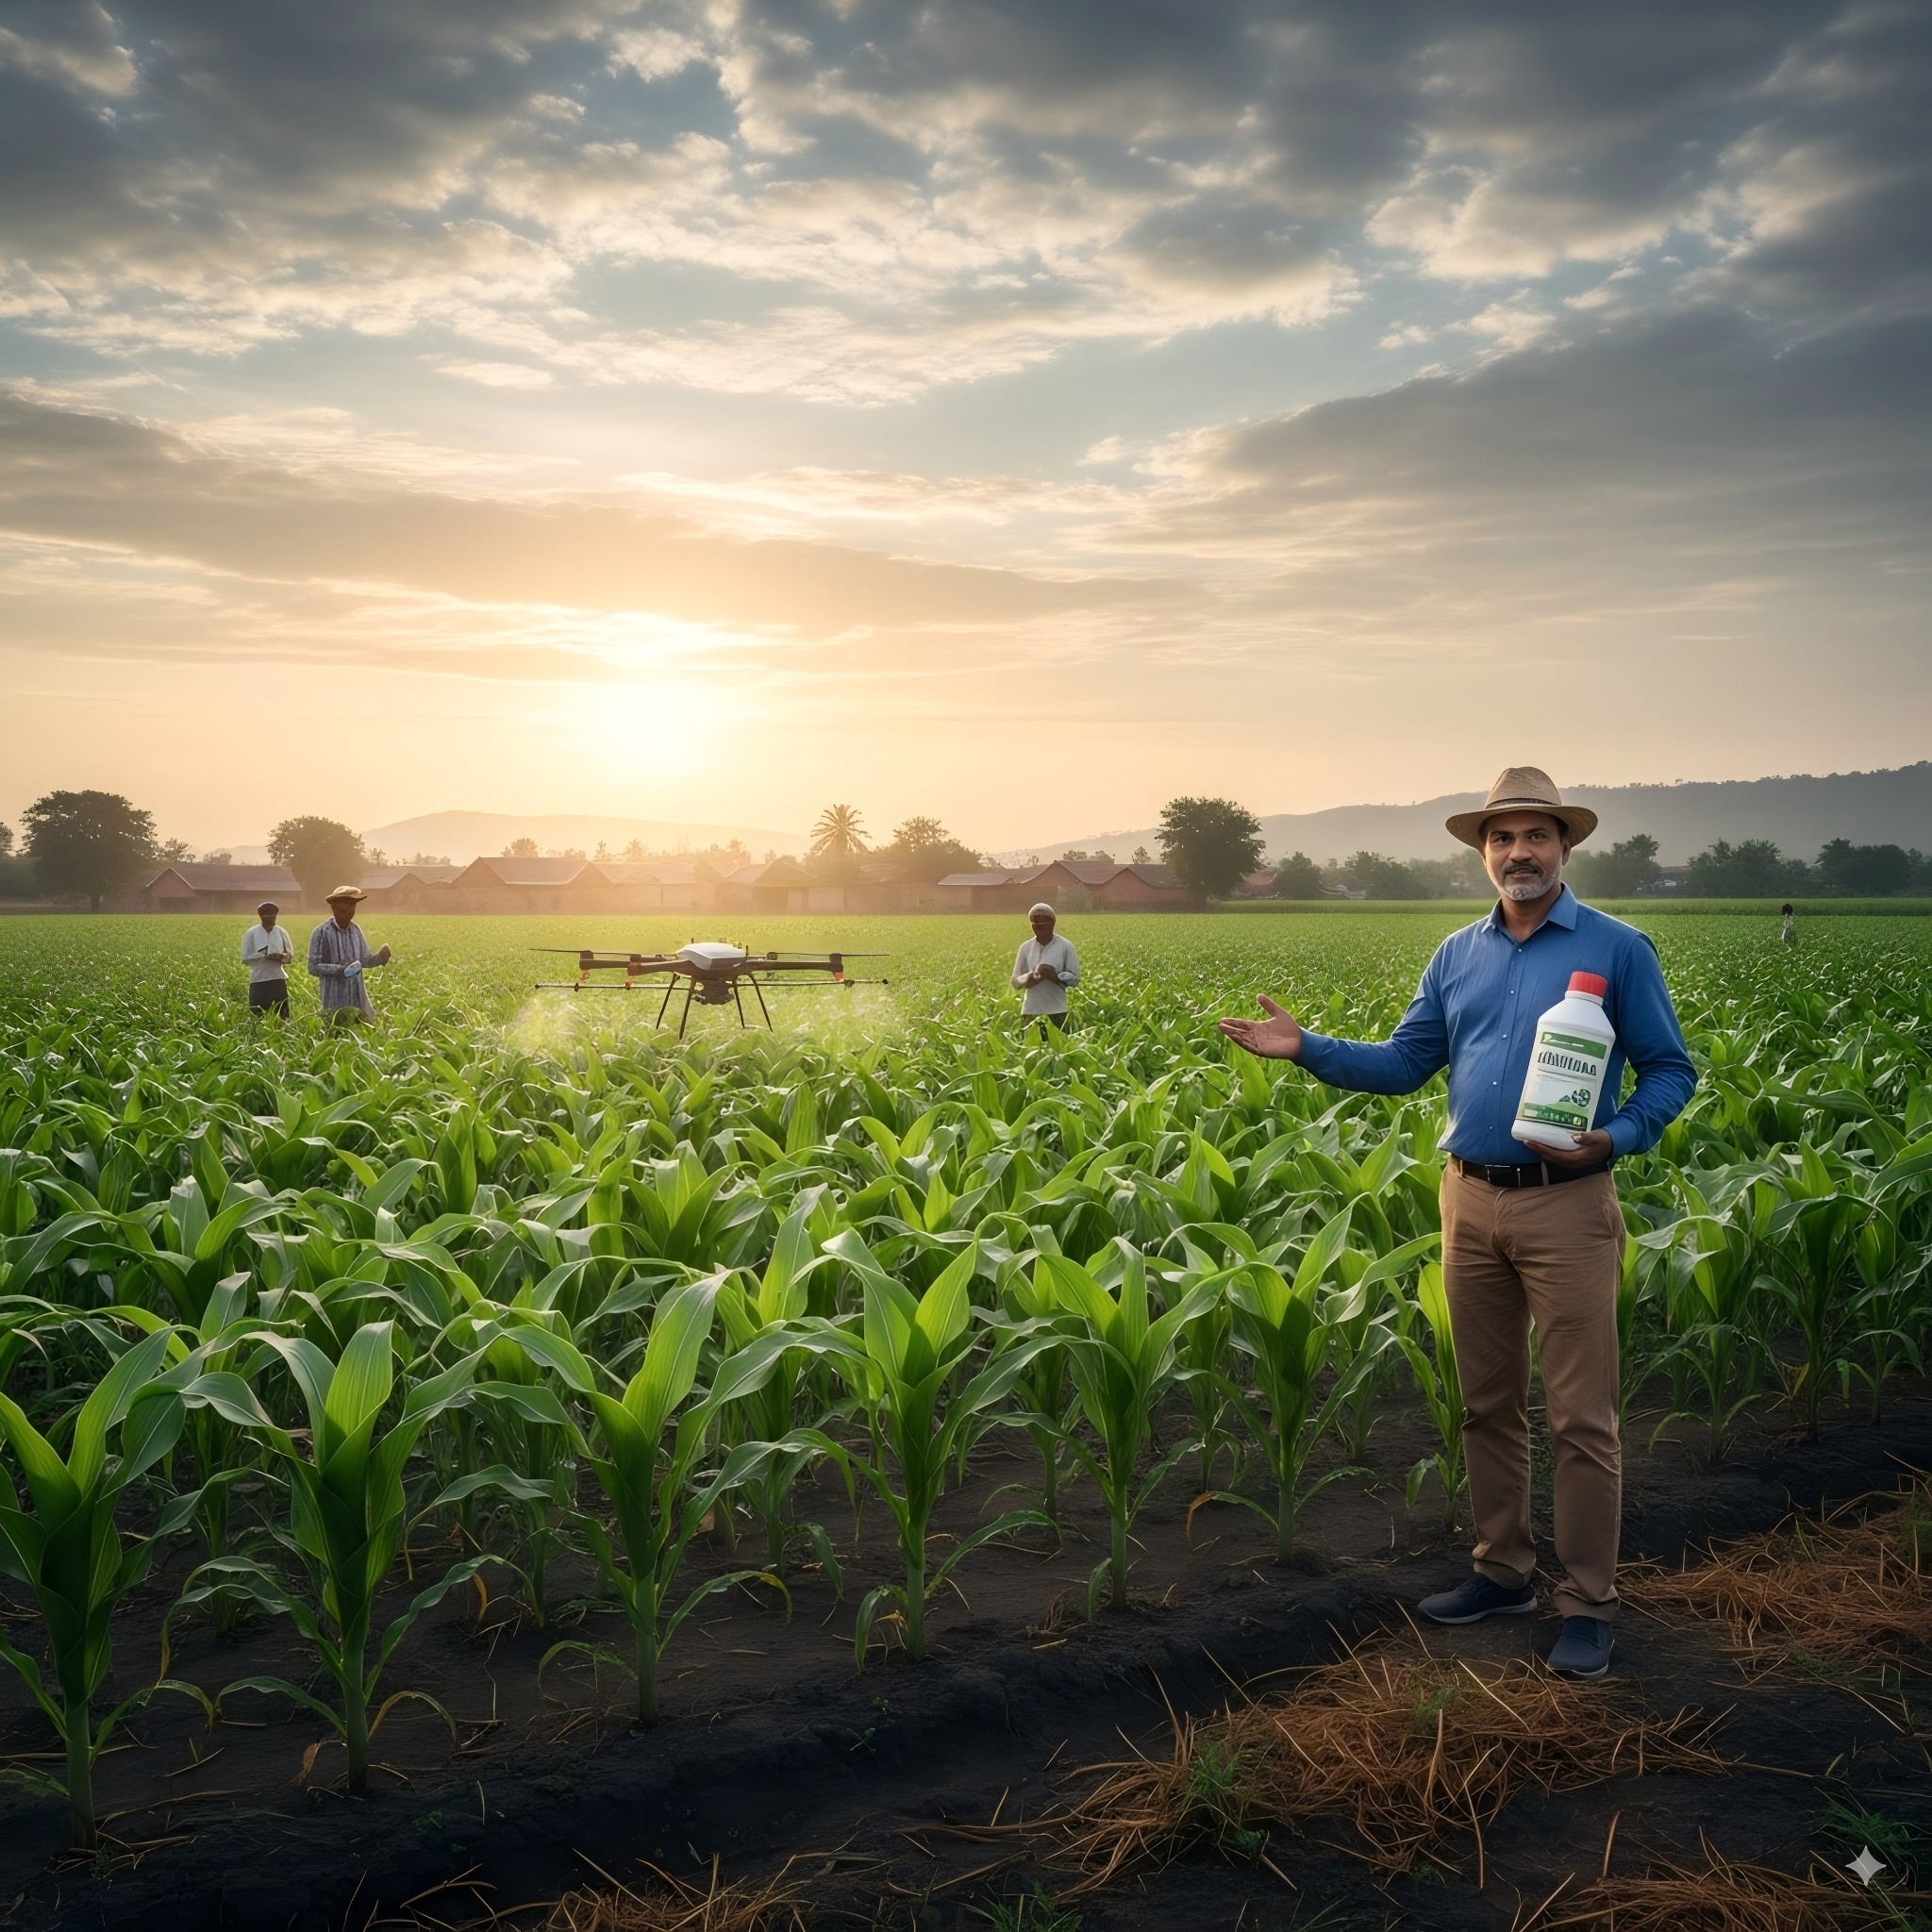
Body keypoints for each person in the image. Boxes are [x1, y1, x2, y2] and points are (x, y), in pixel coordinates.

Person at [1218, 767, 1694, 1679]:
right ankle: (1503, 1571)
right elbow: (1406, 1063)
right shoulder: (1456, 954)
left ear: (1565, 847)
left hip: (1567, 1202)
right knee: (1484, 1402)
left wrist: (1620, 1137)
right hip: (1468, 1199)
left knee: (1581, 1418)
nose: (1519, 853)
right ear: (1483, 853)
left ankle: (1587, 1601)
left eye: (1536, 836)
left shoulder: (1618, 948)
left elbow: (1670, 1069)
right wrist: (1307, 1048)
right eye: (1501, 838)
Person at [308, 885, 391, 1024]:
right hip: (333, 1000)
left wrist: (380, 958)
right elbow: (313, 967)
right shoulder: (321, 933)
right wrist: (341, 970)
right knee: (336, 1030)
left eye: (353, 905)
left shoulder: (356, 931)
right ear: (334, 907)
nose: (350, 910)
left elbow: (365, 960)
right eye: (345, 904)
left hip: (357, 999)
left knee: (361, 1030)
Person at [1012, 902, 1080, 1033]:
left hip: (1057, 1011)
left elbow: (1074, 981)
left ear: (1052, 923)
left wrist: (1054, 975)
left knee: (1059, 1045)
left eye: (1044, 923)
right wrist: (1029, 977)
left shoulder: (1066, 946)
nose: (1039, 926)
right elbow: (1015, 982)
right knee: (1029, 1045)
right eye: (1035, 923)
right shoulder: (1025, 948)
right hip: (1030, 1011)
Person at [242, 899, 294, 1018]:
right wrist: (264, 955)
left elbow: (290, 958)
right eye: (267, 917)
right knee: (258, 1013)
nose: (271, 919)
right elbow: (245, 958)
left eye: (273, 916)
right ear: (261, 916)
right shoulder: (251, 933)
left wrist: (281, 957)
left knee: (282, 1014)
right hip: (258, 978)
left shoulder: (282, 932)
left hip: (278, 978)